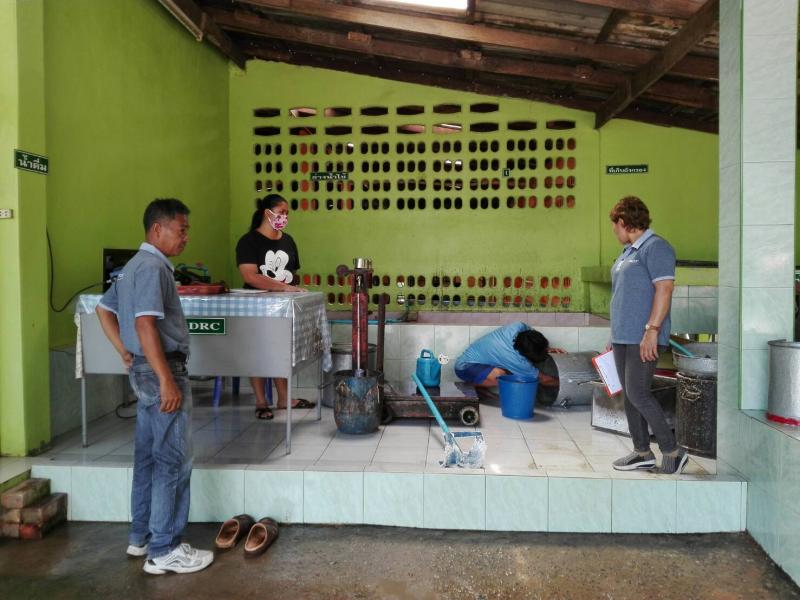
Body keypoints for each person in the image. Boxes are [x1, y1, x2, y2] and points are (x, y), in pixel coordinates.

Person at [95, 198, 213, 575]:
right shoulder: (151, 267)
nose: (186, 237)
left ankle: (141, 536)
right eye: (182, 230)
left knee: (148, 457)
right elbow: (145, 323)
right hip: (161, 370)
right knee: (172, 460)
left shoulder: (133, 266)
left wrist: (124, 351)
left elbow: (103, 309)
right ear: (157, 229)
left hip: (144, 370)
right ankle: (165, 549)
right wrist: (166, 380)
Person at [608, 196, 687, 475]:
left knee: (639, 393)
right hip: (623, 336)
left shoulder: (656, 247)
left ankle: (672, 451)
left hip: (643, 335)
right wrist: (613, 336)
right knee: (629, 396)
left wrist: (652, 330)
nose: (614, 231)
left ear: (622, 222)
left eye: (614, 225)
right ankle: (642, 452)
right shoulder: (628, 252)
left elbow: (665, 289)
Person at [235, 194, 311, 420]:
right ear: (266, 213)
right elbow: (250, 276)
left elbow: (293, 273)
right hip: (257, 308)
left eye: (287, 213)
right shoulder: (249, 241)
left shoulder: (288, 240)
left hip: (283, 309)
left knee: (281, 351)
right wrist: (284, 287)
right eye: (280, 212)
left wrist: (292, 290)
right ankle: (261, 401)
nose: (284, 217)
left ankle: (284, 398)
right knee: (257, 352)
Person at [454, 321, 560, 388]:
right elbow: (542, 379)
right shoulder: (515, 359)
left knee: (512, 373)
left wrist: (545, 348)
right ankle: (470, 386)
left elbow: (533, 338)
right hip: (464, 367)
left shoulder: (518, 326)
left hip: (480, 361)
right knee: (501, 376)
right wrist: (565, 383)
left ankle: (481, 385)